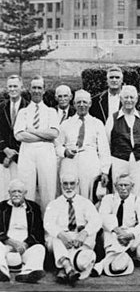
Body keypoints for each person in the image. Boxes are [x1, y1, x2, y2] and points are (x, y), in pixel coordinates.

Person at [44, 173, 101, 284]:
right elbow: (48, 223)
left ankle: (63, 269)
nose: (69, 187)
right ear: (61, 185)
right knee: (56, 238)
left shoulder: (85, 202)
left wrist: (84, 233)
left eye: (72, 184)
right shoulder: (54, 203)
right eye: (65, 184)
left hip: (79, 239)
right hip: (61, 240)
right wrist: (61, 235)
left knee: (91, 234)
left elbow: (96, 221)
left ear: (77, 184)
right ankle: (68, 267)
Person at [105, 85, 140, 200]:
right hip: (119, 161)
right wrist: (106, 169)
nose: (129, 100)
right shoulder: (113, 118)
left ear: (136, 99)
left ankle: (138, 218)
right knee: (119, 194)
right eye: (126, 97)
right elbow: (106, 145)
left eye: (131, 97)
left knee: (139, 195)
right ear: (121, 99)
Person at [56, 90, 111, 200]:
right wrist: (65, 152)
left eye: (85, 102)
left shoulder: (97, 123)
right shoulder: (66, 124)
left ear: (90, 104)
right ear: (74, 104)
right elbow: (57, 146)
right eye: (79, 102)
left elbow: (104, 149)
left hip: (90, 162)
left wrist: (105, 171)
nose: (82, 105)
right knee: (70, 193)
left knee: (88, 196)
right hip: (70, 162)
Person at [15, 76, 59, 208]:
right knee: (26, 190)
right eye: (34, 87)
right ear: (29, 89)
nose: (36, 91)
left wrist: (32, 130)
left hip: (46, 153)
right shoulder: (23, 112)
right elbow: (19, 136)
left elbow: (54, 134)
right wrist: (44, 135)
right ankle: (28, 223)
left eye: (39, 88)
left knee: (48, 191)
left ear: (44, 90)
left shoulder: (51, 112)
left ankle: (48, 227)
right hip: (27, 152)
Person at [93, 174, 140, 276]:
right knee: (109, 228)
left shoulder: (139, 201)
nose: (123, 188)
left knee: (135, 236)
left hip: (130, 234)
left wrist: (129, 235)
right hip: (113, 232)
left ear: (132, 186)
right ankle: (115, 258)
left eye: (126, 185)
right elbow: (102, 217)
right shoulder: (108, 199)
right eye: (120, 185)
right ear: (115, 186)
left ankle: (102, 264)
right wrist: (117, 231)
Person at [0, 179, 46, 283]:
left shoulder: (33, 208)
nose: (16, 194)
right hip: (5, 246)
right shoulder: (1, 207)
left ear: (25, 193)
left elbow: (38, 233)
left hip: (25, 247)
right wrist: (10, 242)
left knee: (39, 248)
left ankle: (27, 273)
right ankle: (2, 271)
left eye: (19, 192)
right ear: (9, 193)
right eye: (13, 191)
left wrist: (24, 245)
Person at [0, 75, 28, 198]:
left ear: (21, 87)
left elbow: (28, 133)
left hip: (21, 158)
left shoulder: (28, 108)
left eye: (15, 86)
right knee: (3, 193)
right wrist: (5, 150)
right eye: (10, 86)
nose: (12, 89)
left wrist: (14, 153)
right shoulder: (1, 107)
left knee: (19, 193)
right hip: (3, 157)